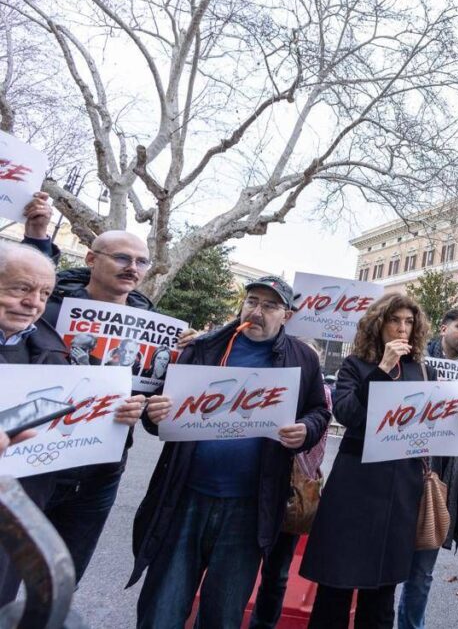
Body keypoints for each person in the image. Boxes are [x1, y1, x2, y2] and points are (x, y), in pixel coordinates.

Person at [130, 276, 331, 629]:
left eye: (270, 306)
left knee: (223, 614)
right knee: (162, 608)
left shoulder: (302, 359)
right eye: (252, 301)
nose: (258, 311)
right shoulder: (202, 348)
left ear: (286, 315)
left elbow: (319, 411)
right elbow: (158, 413)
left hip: (250, 505)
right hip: (185, 497)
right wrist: (153, 413)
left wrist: (306, 431)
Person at [300, 294, 458, 628]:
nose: (402, 328)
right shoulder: (355, 365)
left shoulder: (424, 370)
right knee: (336, 588)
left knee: (382, 595)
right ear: (378, 324)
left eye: (409, 322)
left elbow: (435, 429)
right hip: (355, 488)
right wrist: (382, 370)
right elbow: (348, 414)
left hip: (401, 490)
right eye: (394, 320)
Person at [0, 243, 151, 603]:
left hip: (54, 482)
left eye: (43, 293)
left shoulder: (45, 348)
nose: (33, 302)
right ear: (90, 259)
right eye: (21, 289)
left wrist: (136, 407)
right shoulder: (54, 319)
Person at [33, 225, 173, 584]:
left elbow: (154, 418)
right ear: (92, 259)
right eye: (123, 257)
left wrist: (151, 409)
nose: (133, 267)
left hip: (102, 471)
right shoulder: (45, 312)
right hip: (34, 467)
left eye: (142, 261)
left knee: (62, 582)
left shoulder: (154, 329)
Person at [397, 306, 458, 629]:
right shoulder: (412, 361)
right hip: (402, 473)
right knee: (384, 565)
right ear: (443, 328)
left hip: (443, 481)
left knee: (422, 573)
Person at [248, 338, 333, 629]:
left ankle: (263, 624)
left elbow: (316, 447)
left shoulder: (320, 396)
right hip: (253, 483)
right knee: (242, 564)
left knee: (277, 572)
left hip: (291, 488)